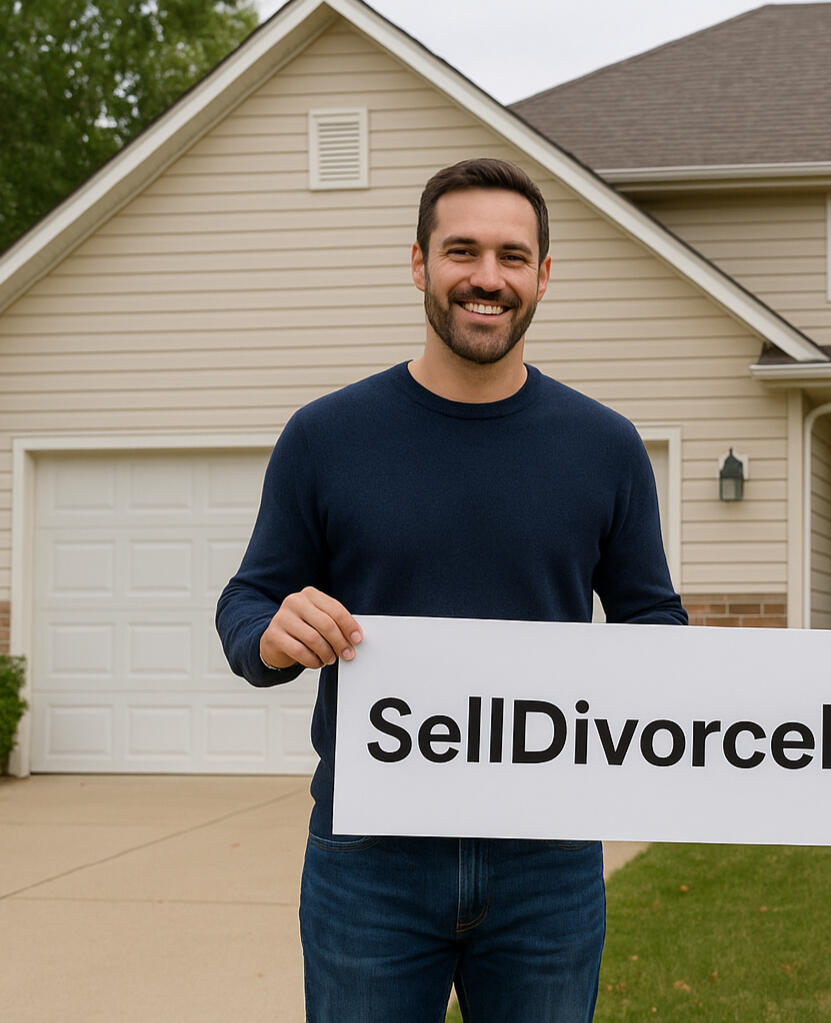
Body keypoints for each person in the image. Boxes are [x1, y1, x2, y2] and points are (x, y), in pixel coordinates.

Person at [216, 157, 687, 1023]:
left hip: (547, 855)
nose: (486, 277)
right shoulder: (326, 436)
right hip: (370, 859)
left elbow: (653, 616)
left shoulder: (606, 446)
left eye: (512, 256)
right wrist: (271, 633)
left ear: (542, 276)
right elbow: (248, 600)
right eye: (462, 251)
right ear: (419, 264)